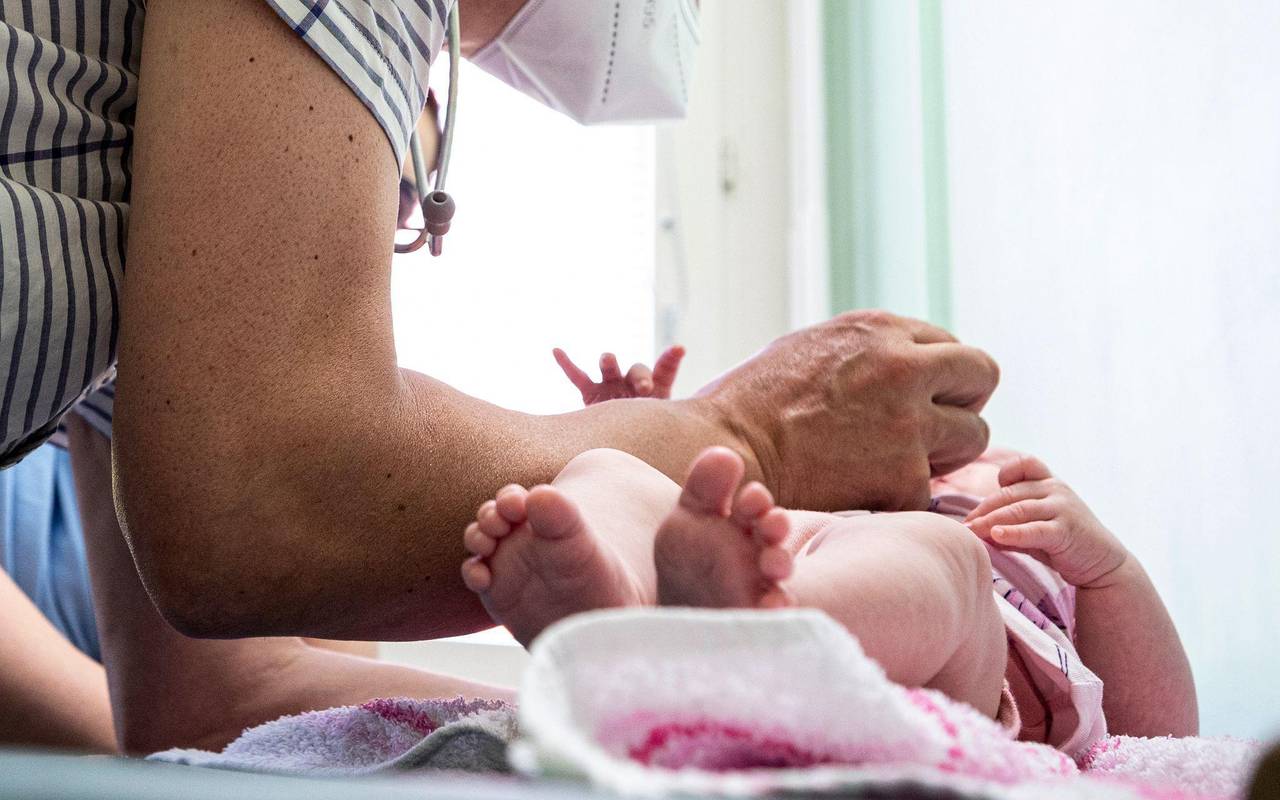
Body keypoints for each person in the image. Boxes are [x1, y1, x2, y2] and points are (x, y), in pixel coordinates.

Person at [458, 352, 1199, 745]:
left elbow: (1164, 734)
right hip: (793, 558)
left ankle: (768, 628)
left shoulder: (995, 507)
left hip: (959, 673)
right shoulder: (817, 496)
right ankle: (618, 603)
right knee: (608, 472)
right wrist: (638, 426)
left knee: (945, 555)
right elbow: (731, 509)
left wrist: (1110, 571)